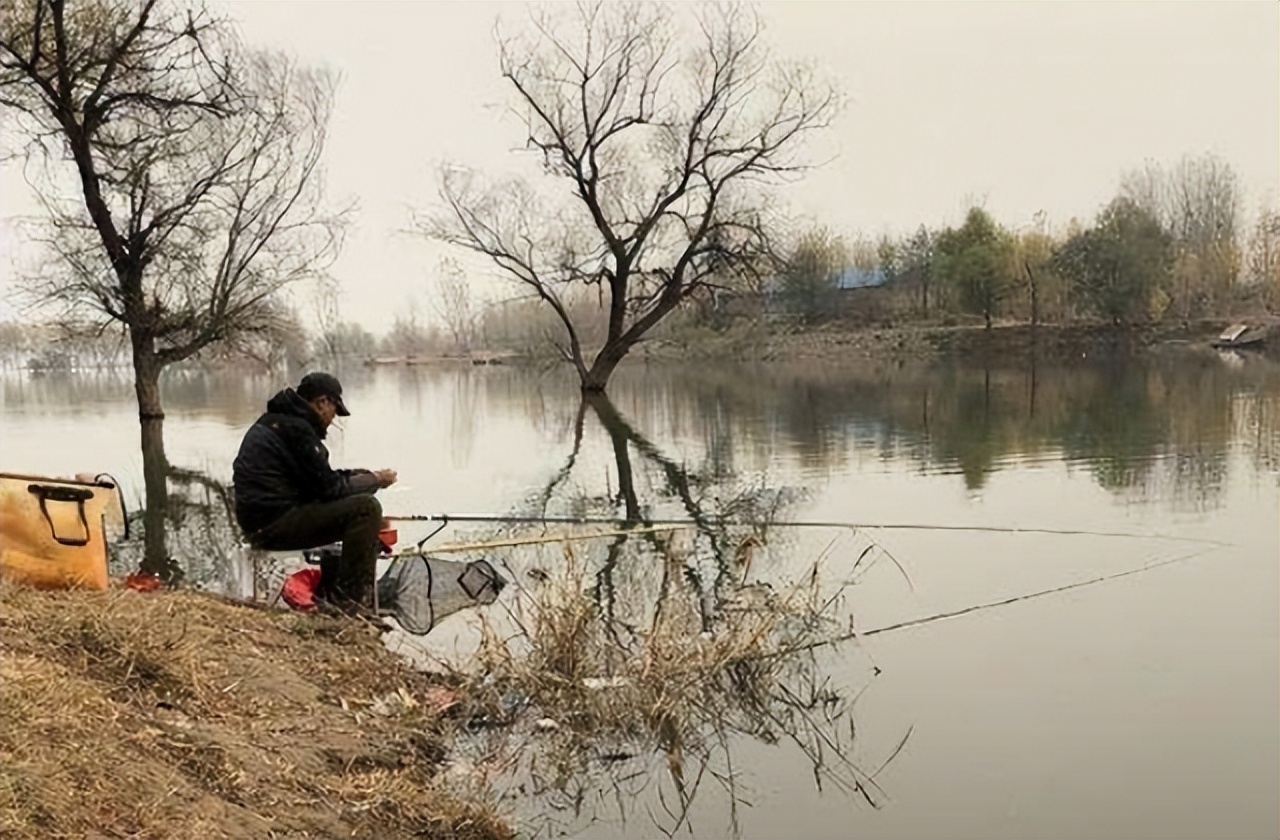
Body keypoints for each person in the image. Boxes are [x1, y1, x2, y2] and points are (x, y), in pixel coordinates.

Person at [232, 372, 397, 614]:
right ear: (322, 402)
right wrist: (375, 480)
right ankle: (350, 604)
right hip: (272, 526)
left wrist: (358, 476)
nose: (333, 419)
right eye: (334, 410)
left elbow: (318, 481)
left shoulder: (278, 421)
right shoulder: (297, 430)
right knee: (366, 509)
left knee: (359, 506)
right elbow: (330, 489)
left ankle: (337, 593)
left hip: (260, 522)